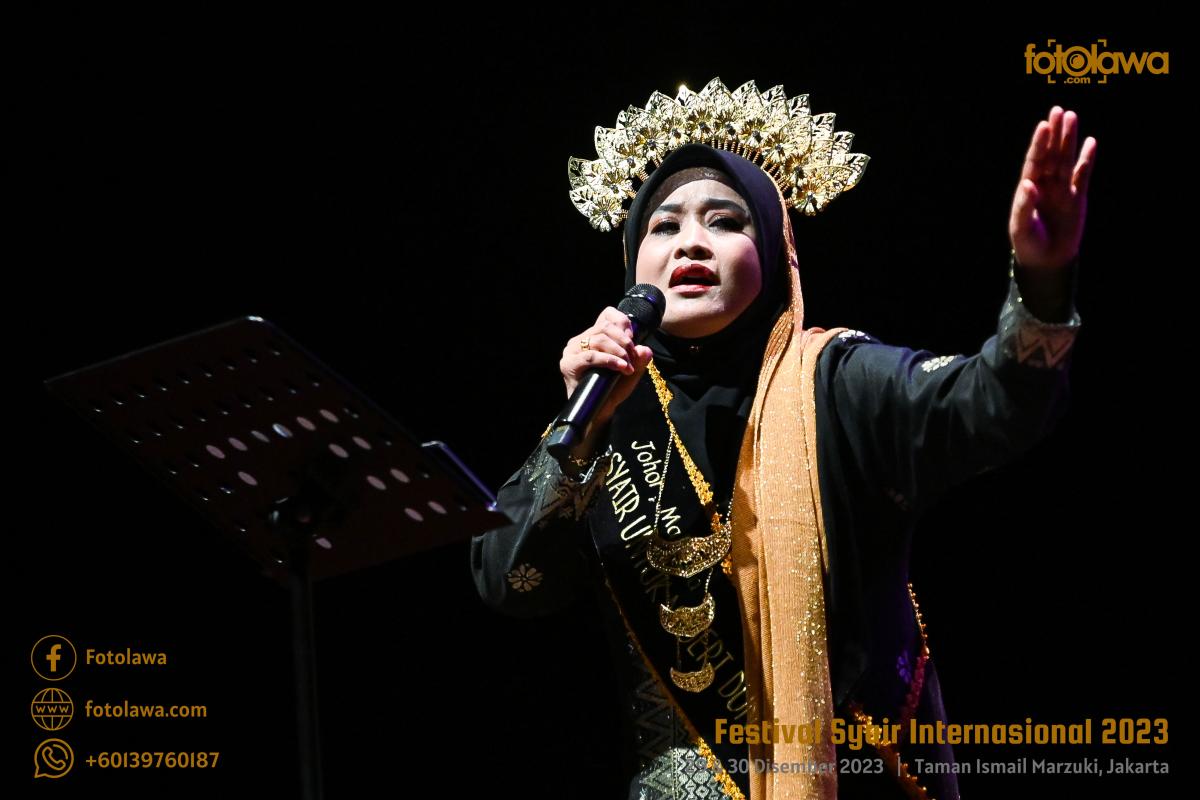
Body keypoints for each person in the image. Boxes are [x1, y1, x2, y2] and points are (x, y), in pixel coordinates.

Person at [471, 79, 1094, 800]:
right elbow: (509, 583)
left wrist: (1042, 281)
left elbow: (997, 406)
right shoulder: (607, 411)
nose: (690, 241)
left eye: (725, 221)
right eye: (663, 227)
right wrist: (579, 433)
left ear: (775, 250)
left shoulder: (840, 381)